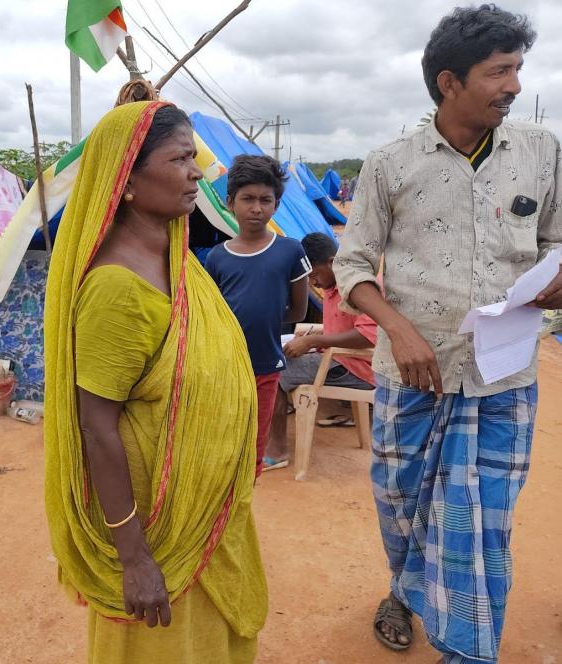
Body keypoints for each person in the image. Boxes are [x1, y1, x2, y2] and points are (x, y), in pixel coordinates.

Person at [334, 6, 562, 663]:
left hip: (503, 379)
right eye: (498, 72)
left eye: (517, 69)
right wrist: (398, 329)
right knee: (400, 508)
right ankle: (404, 591)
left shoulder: (542, 153)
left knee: (479, 526)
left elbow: (557, 239)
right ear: (447, 82)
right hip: (412, 380)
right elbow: (352, 264)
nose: (514, 85)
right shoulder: (388, 165)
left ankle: (464, 648)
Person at [44, 101, 268, 663]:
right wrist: (135, 557)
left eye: (195, 157)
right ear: (127, 182)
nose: (197, 171)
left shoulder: (178, 260)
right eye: (180, 159)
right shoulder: (116, 289)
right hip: (156, 524)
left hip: (204, 506)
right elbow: (95, 425)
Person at [205, 155, 311, 476]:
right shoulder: (217, 257)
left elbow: (298, 309)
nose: (256, 208)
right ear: (229, 202)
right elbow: (213, 314)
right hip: (224, 366)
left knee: (254, 447)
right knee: (224, 439)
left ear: (276, 204)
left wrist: (262, 321)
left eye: (266, 200)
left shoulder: (290, 250)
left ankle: (243, 501)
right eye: (247, 199)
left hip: (266, 365)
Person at [265, 232, 377, 457]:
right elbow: (341, 328)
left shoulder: (357, 286)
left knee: (272, 368)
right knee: (278, 357)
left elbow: (367, 336)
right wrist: (308, 337)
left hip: (356, 368)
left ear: (332, 262)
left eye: (313, 275)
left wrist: (313, 340)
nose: (312, 282)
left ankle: (277, 451)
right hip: (340, 360)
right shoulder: (333, 284)